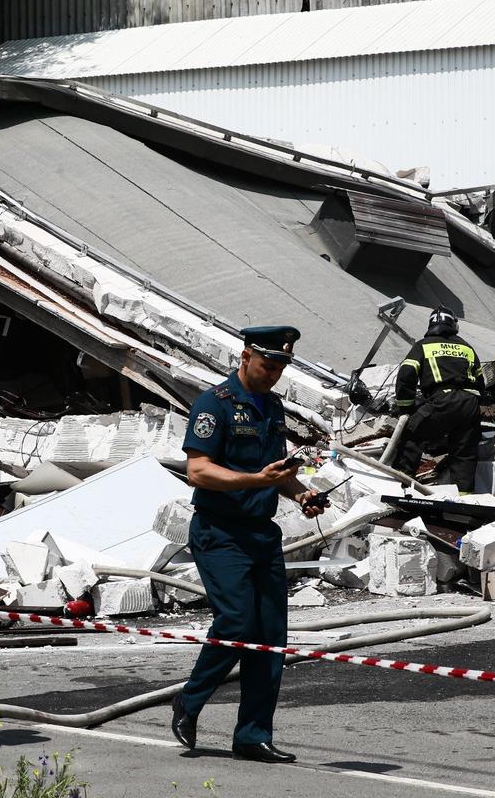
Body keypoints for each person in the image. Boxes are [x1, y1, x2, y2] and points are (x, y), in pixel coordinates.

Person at [171, 325, 326, 764]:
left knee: (270, 635)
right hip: (220, 532)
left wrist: (302, 494)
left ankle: (253, 735)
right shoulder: (213, 404)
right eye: (267, 365)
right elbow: (198, 471)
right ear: (245, 357)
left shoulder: (271, 407)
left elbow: (275, 471)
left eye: (279, 368)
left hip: (261, 533)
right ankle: (189, 701)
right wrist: (257, 480)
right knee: (237, 621)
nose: (273, 374)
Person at [392, 306, 484, 492]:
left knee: (412, 435)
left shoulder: (423, 346)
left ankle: (399, 486)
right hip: (470, 403)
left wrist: (406, 408)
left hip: (443, 400)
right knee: (464, 453)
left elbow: (406, 374)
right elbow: (481, 381)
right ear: (453, 325)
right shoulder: (467, 348)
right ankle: (463, 496)